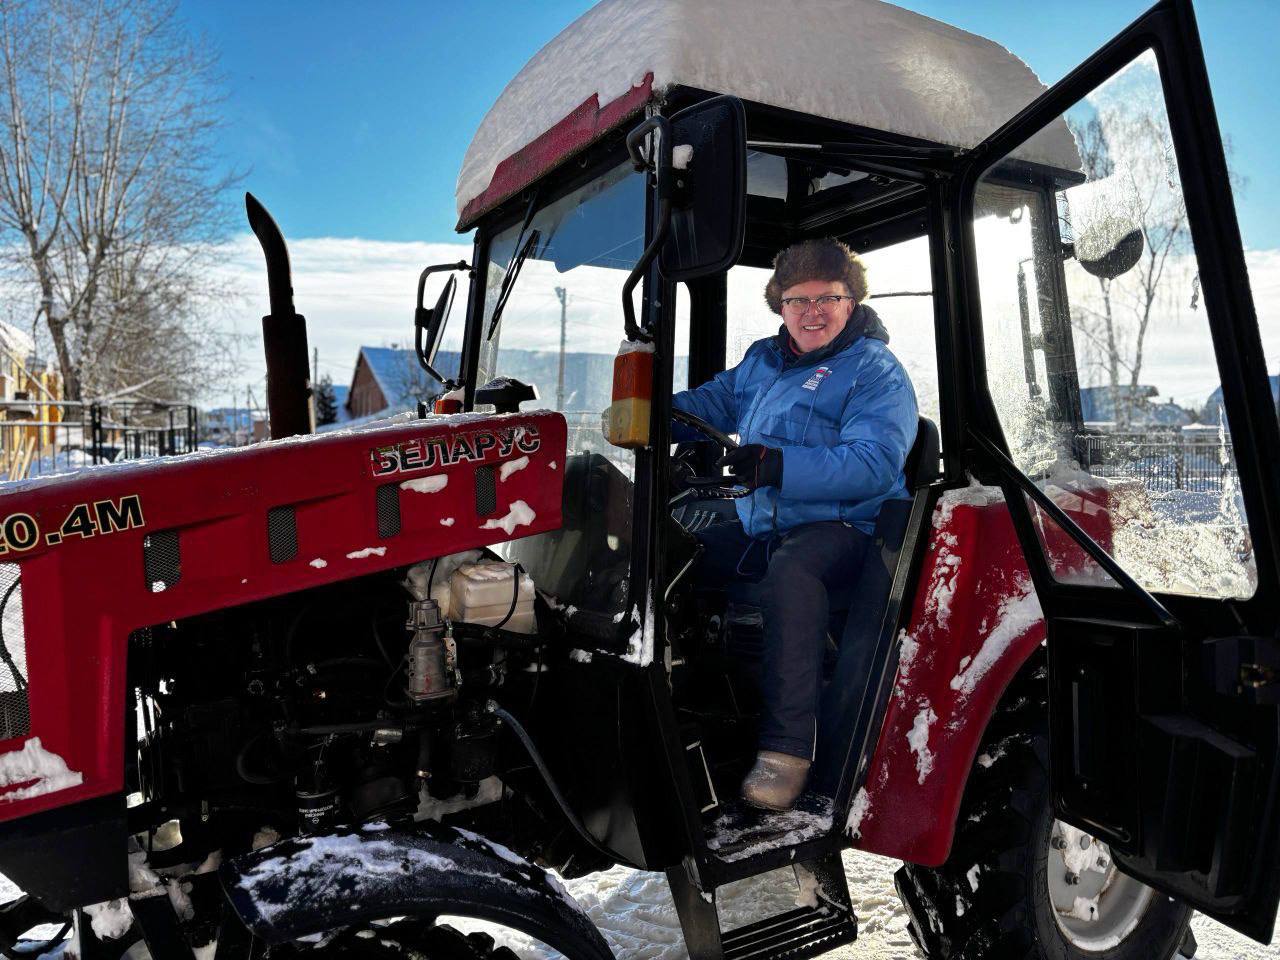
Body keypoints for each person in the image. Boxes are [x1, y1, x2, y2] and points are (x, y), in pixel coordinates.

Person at [672, 238, 918, 811]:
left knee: (792, 572)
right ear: (779, 306)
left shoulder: (875, 370)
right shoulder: (764, 359)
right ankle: (690, 712)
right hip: (766, 518)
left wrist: (778, 466)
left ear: (850, 302)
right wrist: (650, 406)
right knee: (675, 551)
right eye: (796, 300)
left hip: (852, 528)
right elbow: (709, 405)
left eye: (827, 298)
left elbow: (875, 463)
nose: (812, 311)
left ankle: (788, 751)